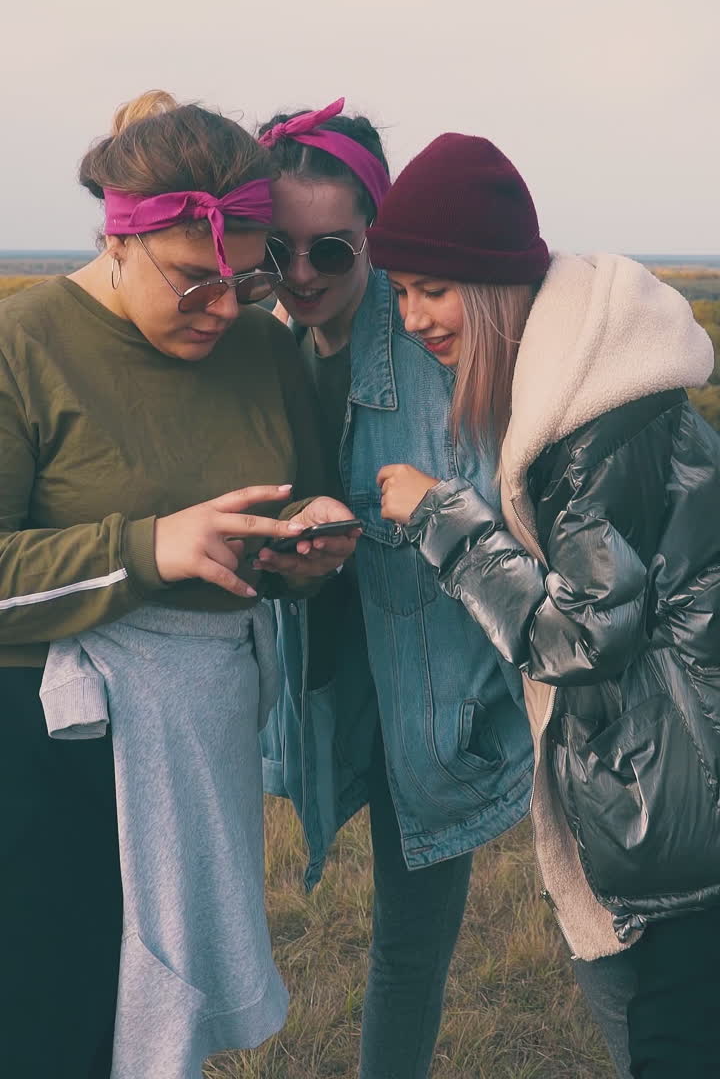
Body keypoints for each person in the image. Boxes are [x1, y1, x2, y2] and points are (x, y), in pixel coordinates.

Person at [0, 90, 358, 1079]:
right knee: (51, 1021)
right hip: (46, 750)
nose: (220, 306)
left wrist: (311, 555)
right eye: (194, 278)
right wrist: (151, 546)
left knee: (157, 1037)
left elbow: (304, 502)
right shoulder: (24, 347)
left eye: (245, 281)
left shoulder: (264, 346)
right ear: (119, 236)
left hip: (205, 736)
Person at [367, 131, 719, 1079]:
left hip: (684, 808)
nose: (412, 318)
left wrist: (446, 522)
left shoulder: (597, 418)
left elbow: (583, 634)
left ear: (492, 279)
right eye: (398, 293)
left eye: (432, 289)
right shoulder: (578, 388)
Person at [257, 100, 534, 1079]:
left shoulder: (437, 347)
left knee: (406, 949)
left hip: (431, 703)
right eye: (273, 250)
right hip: (317, 693)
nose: (298, 278)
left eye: (329, 250)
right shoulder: (244, 344)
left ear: (374, 233)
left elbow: (517, 539)